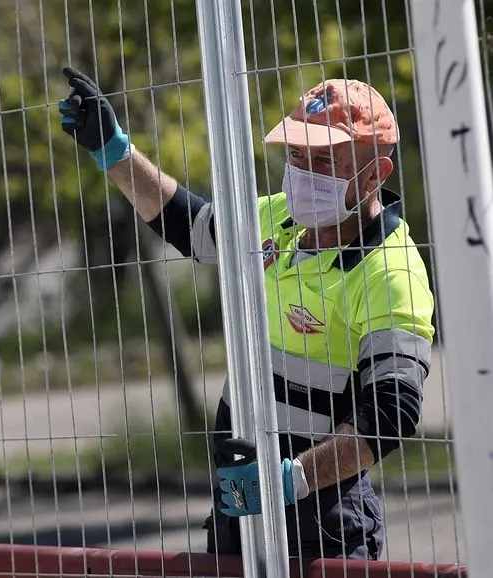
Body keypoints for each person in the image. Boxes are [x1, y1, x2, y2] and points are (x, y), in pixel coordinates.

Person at [57, 67, 435, 560]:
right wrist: (113, 150)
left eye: (324, 160)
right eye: (297, 155)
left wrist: (285, 482)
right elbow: (188, 224)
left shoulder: (392, 272)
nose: (302, 172)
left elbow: (390, 415)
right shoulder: (277, 216)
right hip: (238, 497)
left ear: (375, 174)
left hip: (323, 518)